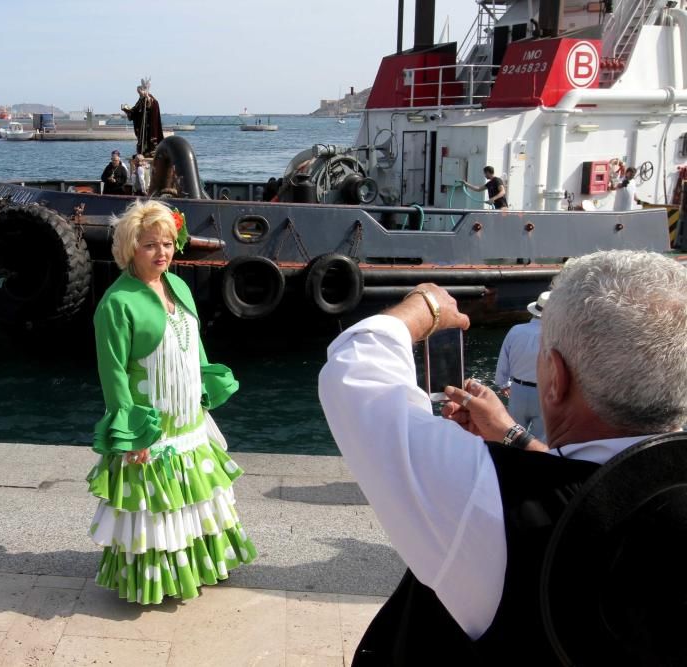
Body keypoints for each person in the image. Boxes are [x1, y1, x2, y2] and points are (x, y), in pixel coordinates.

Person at [319, 250, 687, 664]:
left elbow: (355, 375)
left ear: (556, 378)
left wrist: (424, 306)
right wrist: (516, 438)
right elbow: (607, 483)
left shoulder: (488, 498)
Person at [88, 200, 256, 604]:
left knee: (196, 499)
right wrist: (133, 435)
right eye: (150, 245)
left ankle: (198, 566)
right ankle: (158, 580)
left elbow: (194, 346)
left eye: (166, 243)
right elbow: (113, 376)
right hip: (153, 425)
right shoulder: (116, 303)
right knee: (159, 510)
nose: (161, 253)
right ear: (130, 248)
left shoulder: (178, 286)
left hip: (189, 418)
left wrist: (205, 391)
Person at [493, 291, 548, 440]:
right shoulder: (556, 335)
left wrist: (503, 384)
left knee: (511, 436)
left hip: (517, 390)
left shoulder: (515, 330)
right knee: (541, 440)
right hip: (544, 393)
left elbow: (503, 360)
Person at [121, 77, 164, 157]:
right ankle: (142, 151)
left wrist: (147, 99)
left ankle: (150, 151)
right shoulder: (140, 100)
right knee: (142, 139)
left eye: (140, 92)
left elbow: (152, 106)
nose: (139, 94)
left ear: (144, 91)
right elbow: (134, 111)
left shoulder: (151, 99)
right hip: (141, 125)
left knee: (148, 138)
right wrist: (127, 110)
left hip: (148, 125)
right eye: (138, 93)